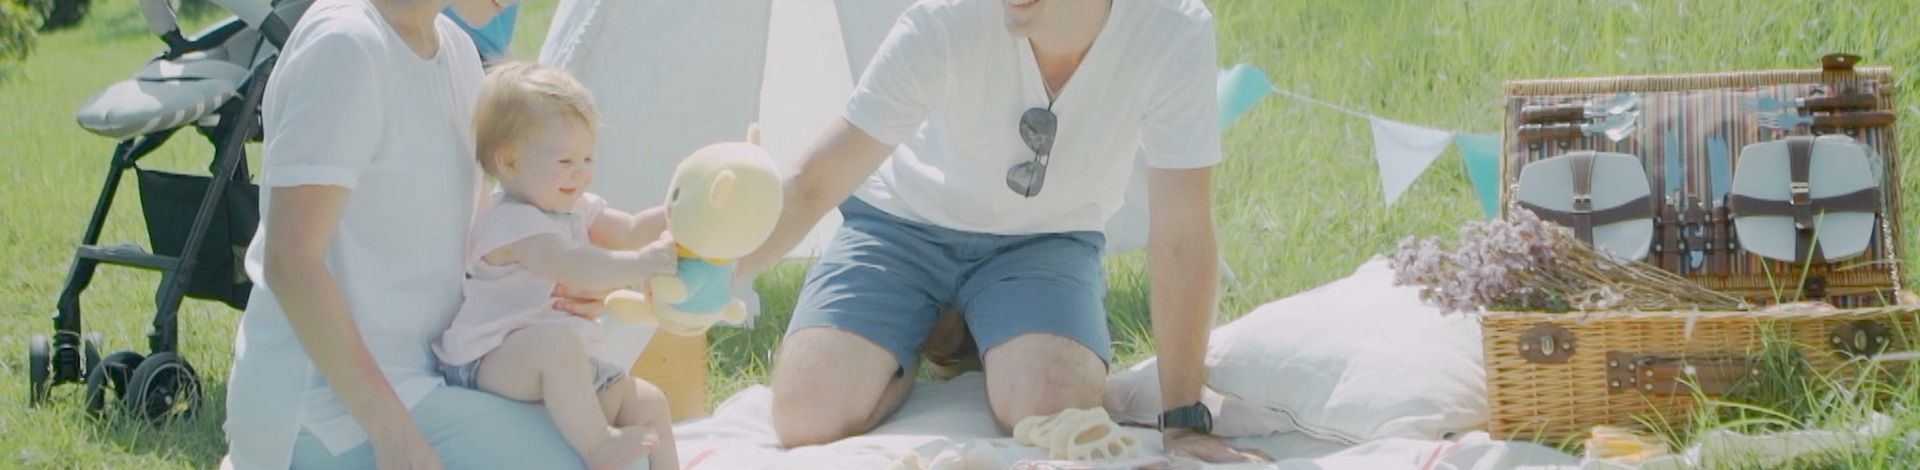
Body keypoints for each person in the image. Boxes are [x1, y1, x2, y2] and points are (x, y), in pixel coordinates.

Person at [732, 0, 1262, 463]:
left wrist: (1184, 418)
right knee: (805, 414)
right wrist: (720, 269)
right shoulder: (946, 18)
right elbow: (815, 182)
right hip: (901, 226)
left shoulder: (1172, 29)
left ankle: (964, 331)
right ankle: (942, 329)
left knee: (1055, 408)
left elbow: (1182, 235)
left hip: (1045, 240)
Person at [219, 0, 674, 468]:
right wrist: (396, 436)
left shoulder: (456, 52)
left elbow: (472, 234)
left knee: (632, 427)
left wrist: (558, 285)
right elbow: (292, 262)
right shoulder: (345, 48)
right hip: (327, 412)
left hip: (433, 376)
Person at [431, 61, 680, 470]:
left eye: (588, 158)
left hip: (560, 362)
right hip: (488, 357)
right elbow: (571, 264)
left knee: (649, 401)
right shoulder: (511, 221)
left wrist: (681, 215)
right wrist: (642, 265)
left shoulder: (574, 206)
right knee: (557, 346)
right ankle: (599, 447)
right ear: (509, 163)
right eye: (565, 162)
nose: (580, 174)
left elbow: (631, 229)